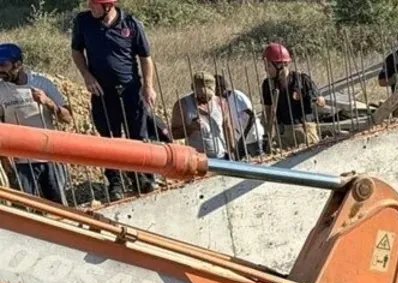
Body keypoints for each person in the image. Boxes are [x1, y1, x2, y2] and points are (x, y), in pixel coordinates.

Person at [71, 0, 158, 200]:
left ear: (108, 7)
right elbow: (77, 51)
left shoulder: (131, 23)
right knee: (109, 138)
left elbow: (145, 57)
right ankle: (115, 181)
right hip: (102, 92)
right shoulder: (83, 22)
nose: (90, 7)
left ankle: (142, 176)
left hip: (130, 89)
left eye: (94, 4)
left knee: (137, 135)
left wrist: (148, 86)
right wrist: (86, 75)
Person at [0, 43, 73, 204]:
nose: (0, 70)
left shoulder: (42, 84)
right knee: (26, 209)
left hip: (50, 159)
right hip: (21, 164)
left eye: (3, 65)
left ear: (18, 64)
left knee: (59, 208)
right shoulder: (1, 91)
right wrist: (5, 157)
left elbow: (67, 118)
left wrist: (48, 102)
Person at [261, 42, 325, 151]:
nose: (266, 69)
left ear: (280, 65)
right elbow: (267, 113)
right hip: (283, 135)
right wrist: (267, 135)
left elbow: (321, 101)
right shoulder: (268, 85)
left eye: (268, 66)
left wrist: (317, 101)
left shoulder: (302, 80)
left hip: (305, 132)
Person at [170, 72, 234, 159]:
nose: (205, 99)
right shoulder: (182, 105)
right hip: (196, 159)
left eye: (208, 96)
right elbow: (174, 134)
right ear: (193, 88)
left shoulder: (221, 103)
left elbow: (227, 128)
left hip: (221, 157)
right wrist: (190, 128)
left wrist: (232, 151)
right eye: (201, 96)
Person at [217, 74, 266, 159]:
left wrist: (244, 135)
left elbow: (251, 116)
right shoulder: (222, 102)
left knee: (259, 160)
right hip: (239, 139)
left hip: (253, 136)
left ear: (220, 88)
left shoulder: (236, 95)